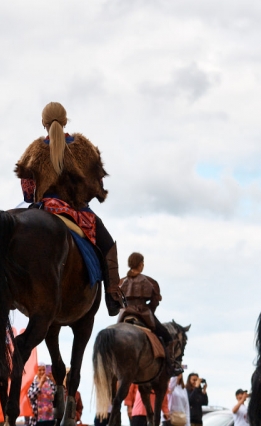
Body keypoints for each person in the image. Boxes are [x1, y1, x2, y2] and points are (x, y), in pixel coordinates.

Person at [15, 102, 122, 316]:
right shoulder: (83, 147)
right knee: (107, 244)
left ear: (43, 123)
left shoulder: (34, 150)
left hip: (46, 209)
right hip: (78, 212)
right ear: (65, 121)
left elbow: (27, 192)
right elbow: (97, 184)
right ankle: (113, 295)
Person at [118, 252, 181, 375]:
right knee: (166, 336)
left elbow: (117, 300)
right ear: (140, 264)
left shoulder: (122, 282)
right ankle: (171, 365)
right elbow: (154, 301)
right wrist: (149, 310)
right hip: (143, 313)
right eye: (142, 263)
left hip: (125, 313)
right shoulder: (146, 281)